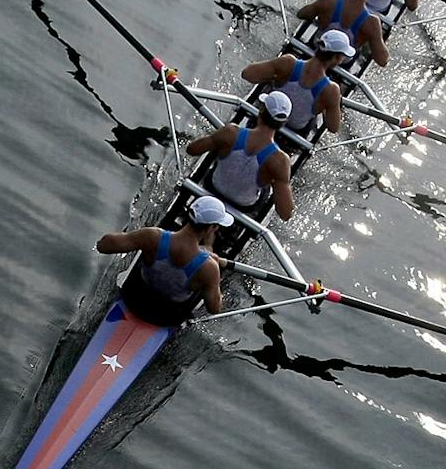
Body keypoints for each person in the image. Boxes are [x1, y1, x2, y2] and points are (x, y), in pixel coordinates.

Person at [97, 196, 231, 325]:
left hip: (132, 299)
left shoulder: (152, 236)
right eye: (217, 226)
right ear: (210, 228)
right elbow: (214, 308)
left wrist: (137, 238)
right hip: (165, 319)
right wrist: (212, 265)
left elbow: (103, 246)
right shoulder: (209, 268)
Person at [188, 90, 295, 219]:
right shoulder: (280, 161)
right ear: (283, 123)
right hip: (243, 206)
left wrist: (217, 140)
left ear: (261, 111)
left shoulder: (230, 133)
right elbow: (285, 213)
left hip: (213, 187)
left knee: (218, 147)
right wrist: (276, 178)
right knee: (268, 187)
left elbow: (192, 150)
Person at [241, 29, 350, 135]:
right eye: (343, 57)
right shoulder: (332, 91)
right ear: (336, 58)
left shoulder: (287, 63)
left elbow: (247, 74)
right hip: (292, 135)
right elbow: (333, 127)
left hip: (265, 119)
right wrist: (331, 103)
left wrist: (273, 77)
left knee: (268, 88)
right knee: (314, 120)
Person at [296, 0, 391, 67]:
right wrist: (373, 37)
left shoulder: (330, 0)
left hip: (318, 48)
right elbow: (382, 60)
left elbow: (302, 14)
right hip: (342, 62)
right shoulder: (372, 23)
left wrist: (319, 14)